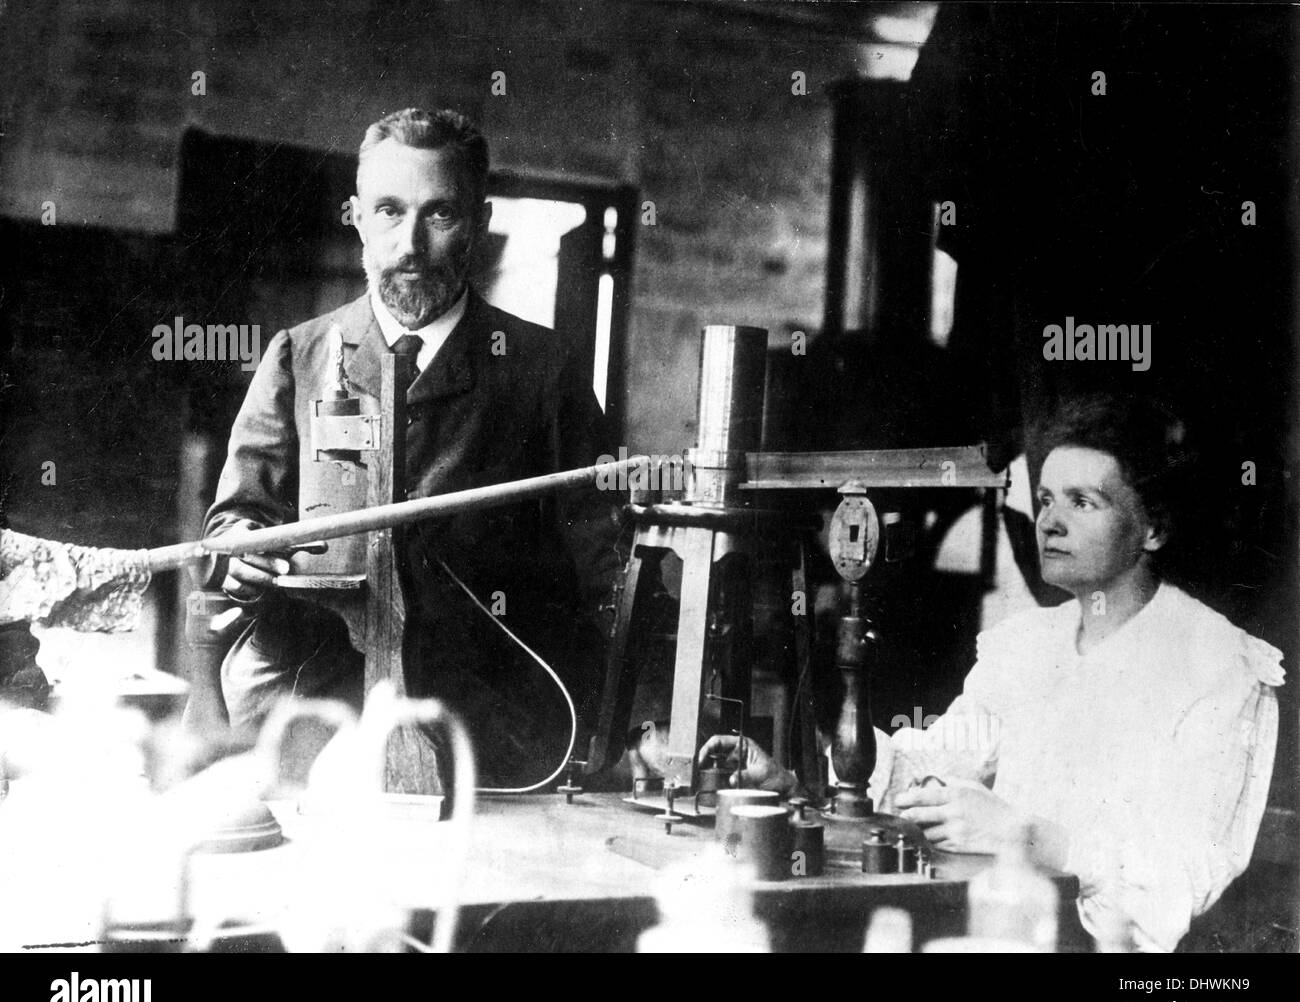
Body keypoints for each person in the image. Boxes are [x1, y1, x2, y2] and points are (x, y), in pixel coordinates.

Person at [697, 393, 1281, 952]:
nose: (1050, 523)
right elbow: (932, 764)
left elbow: (1176, 879)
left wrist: (1025, 836)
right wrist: (796, 779)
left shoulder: (1216, 668)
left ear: (1154, 527)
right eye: (1047, 499)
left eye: (1083, 502)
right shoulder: (1030, 645)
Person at [202, 108, 623, 789]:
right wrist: (242, 554)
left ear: (480, 222)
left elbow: (608, 565)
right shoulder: (298, 356)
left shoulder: (543, 370)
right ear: (357, 217)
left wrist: (643, 714)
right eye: (390, 212)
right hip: (315, 719)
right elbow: (232, 522)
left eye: (440, 214)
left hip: (493, 733)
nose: (411, 244)